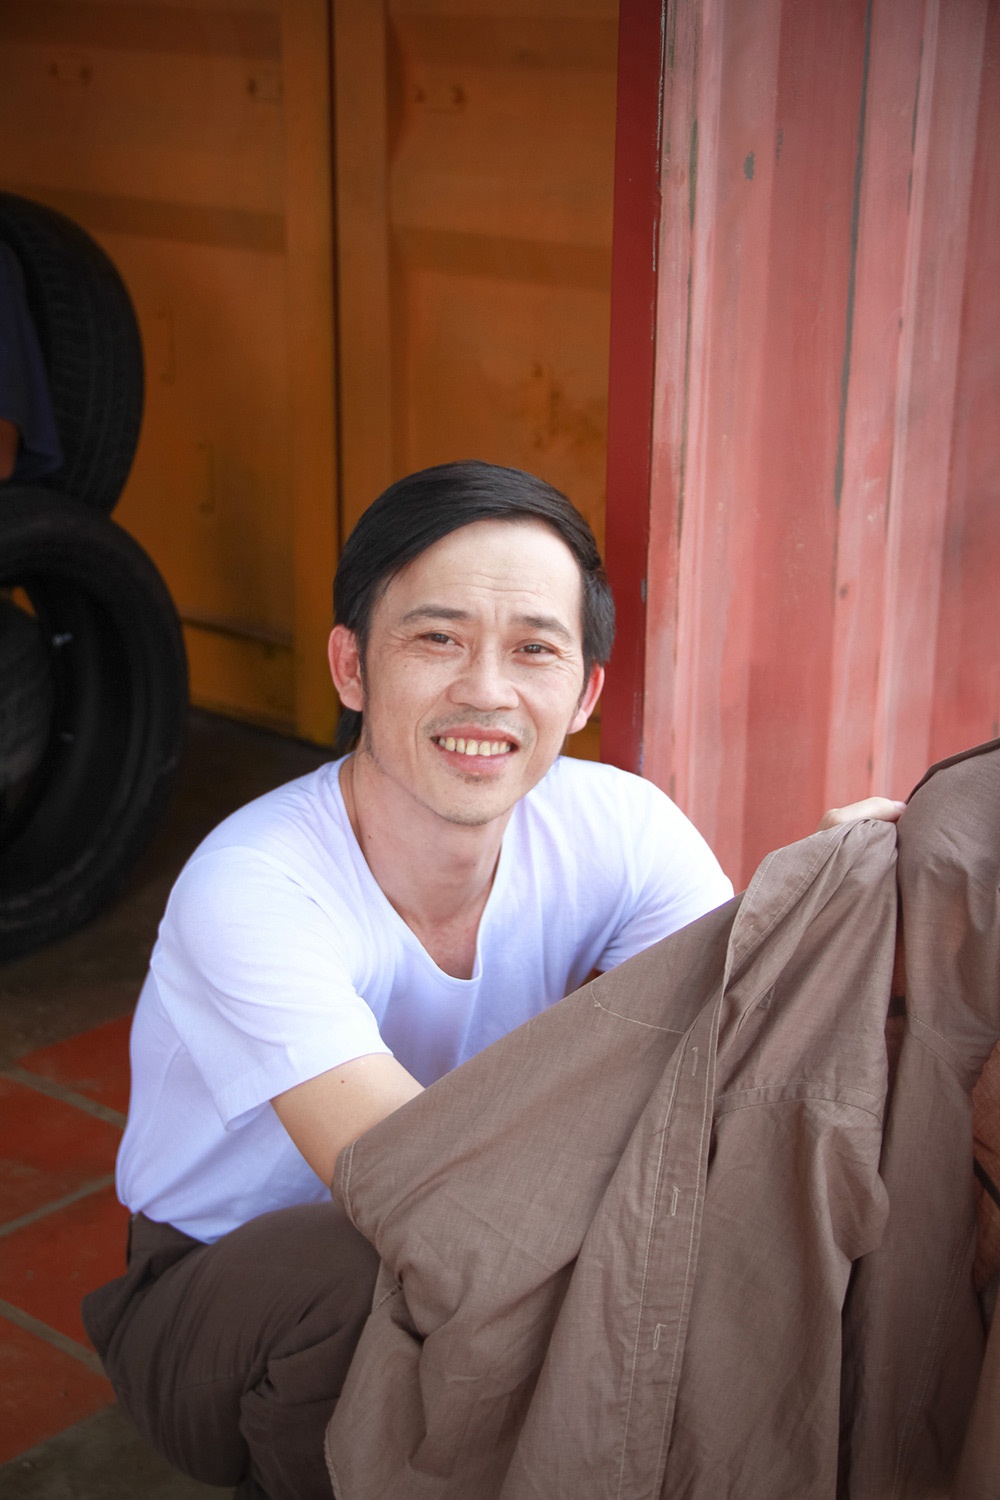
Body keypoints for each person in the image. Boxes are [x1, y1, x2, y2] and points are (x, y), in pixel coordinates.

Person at [82, 460, 901, 1500]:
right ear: (350, 667)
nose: (485, 689)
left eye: (534, 649)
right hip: (218, 1284)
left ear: (584, 691)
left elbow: (740, 1065)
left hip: (482, 1229)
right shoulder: (253, 884)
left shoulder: (621, 828)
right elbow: (417, 1193)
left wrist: (818, 914)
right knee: (398, 1283)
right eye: (437, 638)